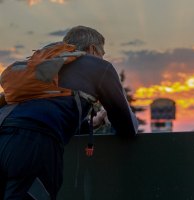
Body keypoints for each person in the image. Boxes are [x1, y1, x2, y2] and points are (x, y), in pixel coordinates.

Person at [0, 25, 138, 199]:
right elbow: (127, 127)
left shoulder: (46, 67)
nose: (103, 58)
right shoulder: (97, 66)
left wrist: (93, 124)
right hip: (35, 144)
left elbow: (43, 114)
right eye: (102, 53)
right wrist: (116, 117)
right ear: (92, 49)